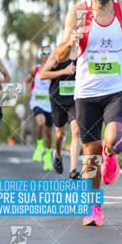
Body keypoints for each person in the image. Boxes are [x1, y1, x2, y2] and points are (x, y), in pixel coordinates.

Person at [56, 0, 122, 226]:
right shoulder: (77, 14)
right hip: (86, 92)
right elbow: (61, 55)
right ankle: (94, 209)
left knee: (115, 139)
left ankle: (113, 154)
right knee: (91, 153)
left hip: (116, 89)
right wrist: (71, 39)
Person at [39, 44, 82, 179]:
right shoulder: (58, 52)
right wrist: (64, 71)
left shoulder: (84, 51)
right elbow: (43, 75)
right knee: (60, 134)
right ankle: (57, 154)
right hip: (58, 98)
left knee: (76, 131)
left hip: (75, 99)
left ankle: (73, 170)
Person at [26, 47, 53, 171]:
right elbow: (27, 81)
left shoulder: (54, 69)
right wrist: (28, 92)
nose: (47, 55)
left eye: (49, 52)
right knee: (40, 122)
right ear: (41, 55)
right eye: (45, 52)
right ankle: (39, 146)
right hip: (37, 102)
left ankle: (47, 156)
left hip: (50, 104)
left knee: (49, 133)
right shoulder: (35, 69)